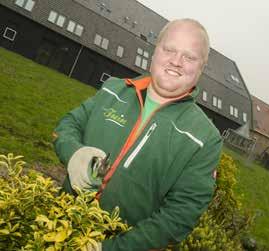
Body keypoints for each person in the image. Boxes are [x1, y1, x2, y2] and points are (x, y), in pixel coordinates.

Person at [53, 18, 223, 251]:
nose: (176, 61)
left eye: (190, 57)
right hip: (57, 226)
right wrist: (74, 153)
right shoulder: (113, 89)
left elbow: (179, 217)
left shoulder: (205, 138)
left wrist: (108, 248)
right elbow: (67, 125)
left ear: (201, 68)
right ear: (154, 52)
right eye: (169, 49)